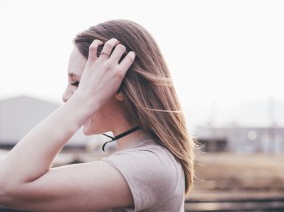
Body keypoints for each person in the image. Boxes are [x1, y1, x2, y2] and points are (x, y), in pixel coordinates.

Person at [0, 20, 195, 211]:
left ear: (120, 86)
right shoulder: (147, 161)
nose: (66, 96)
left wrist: (85, 99)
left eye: (78, 83)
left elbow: (6, 185)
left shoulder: (151, 166)